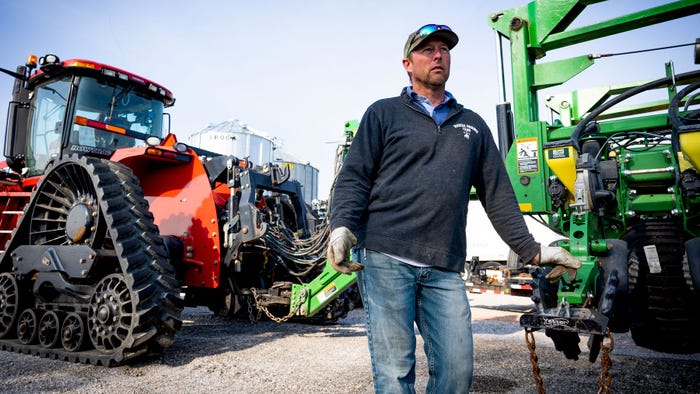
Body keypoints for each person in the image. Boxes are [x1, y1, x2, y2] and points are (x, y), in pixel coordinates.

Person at [327, 23, 581, 393]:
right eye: (427, 49)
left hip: (444, 266)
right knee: (395, 371)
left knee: (457, 371)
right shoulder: (383, 114)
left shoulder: (472, 126)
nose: (437, 55)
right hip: (384, 258)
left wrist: (534, 251)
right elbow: (355, 177)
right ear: (407, 63)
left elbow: (498, 195)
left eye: (444, 49)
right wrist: (341, 227)